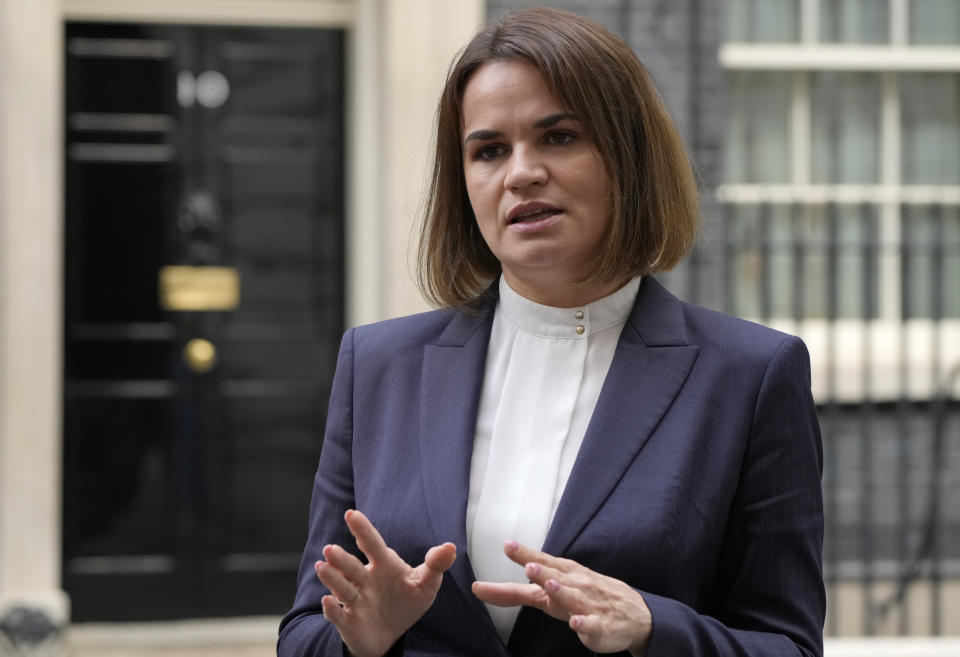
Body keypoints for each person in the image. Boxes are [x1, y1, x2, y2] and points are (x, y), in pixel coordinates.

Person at [278, 7, 825, 657]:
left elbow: (788, 645)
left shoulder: (750, 373)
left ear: (628, 155)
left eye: (558, 137)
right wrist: (359, 641)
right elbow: (304, 632)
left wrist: (652, 625)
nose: (521, 172)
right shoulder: (378, 363)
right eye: (488, 150)